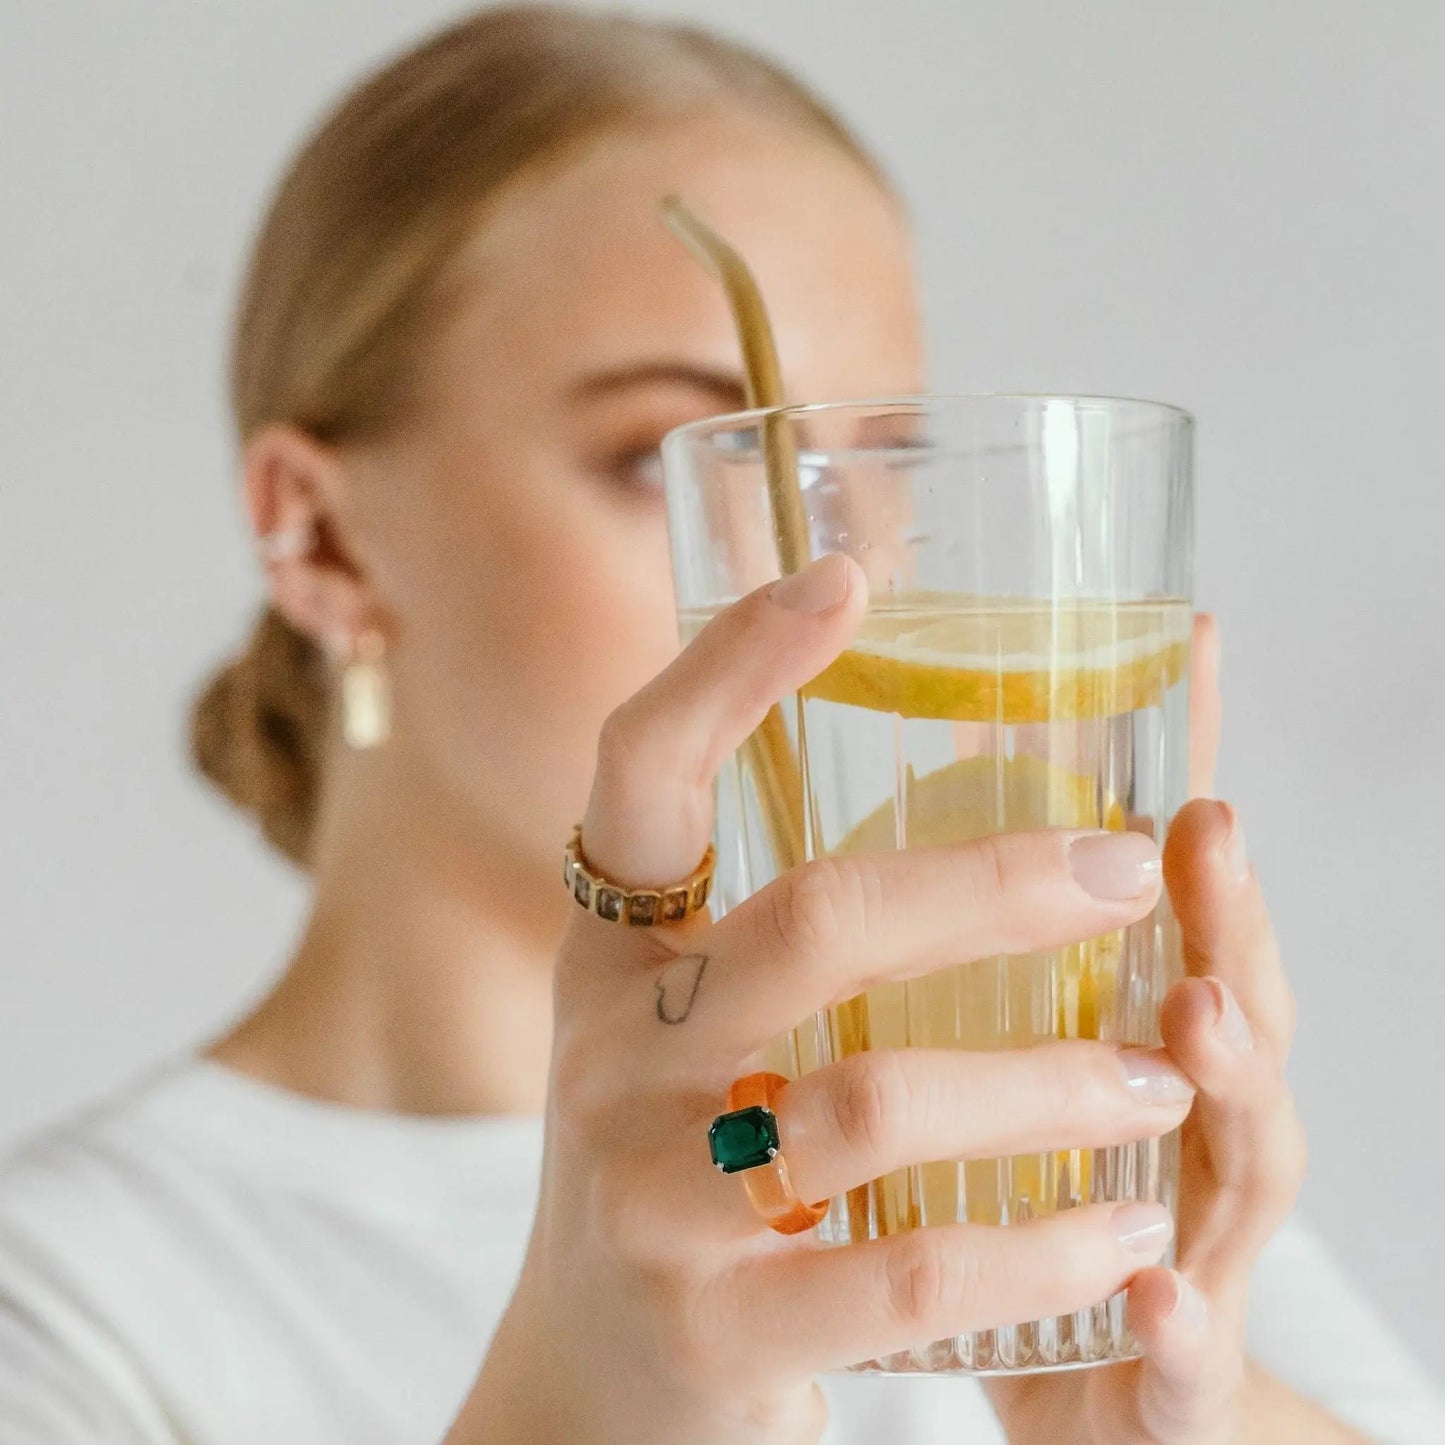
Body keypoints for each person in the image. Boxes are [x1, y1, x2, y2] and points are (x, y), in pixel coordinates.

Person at [0, 8, 1439, 1443]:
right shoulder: (62, 1305)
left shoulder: (1070, 1178)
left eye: (874, 474)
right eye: (665, 461)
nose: (842, 585)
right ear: (318, 537)